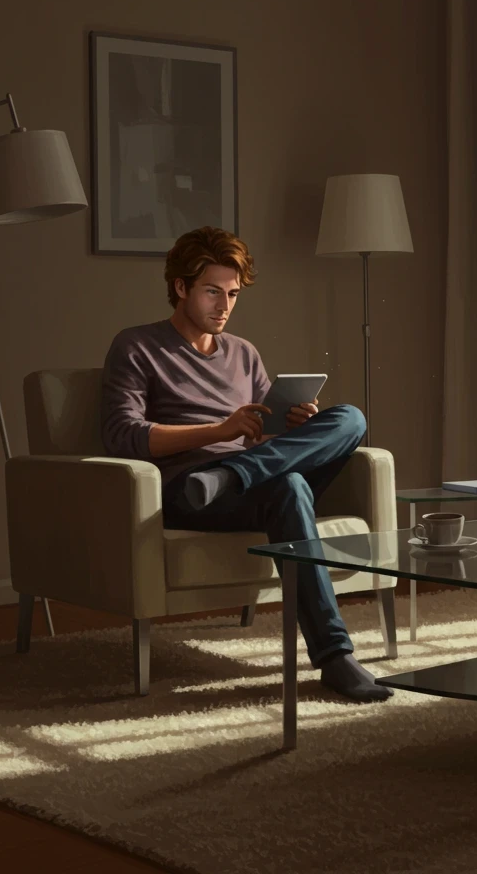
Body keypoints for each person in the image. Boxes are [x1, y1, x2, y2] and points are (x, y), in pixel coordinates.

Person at [100, 226, 392, 702]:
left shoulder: (243, 352)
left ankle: (232, 475)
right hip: (190, 490)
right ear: (180, 287)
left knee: (350, 419)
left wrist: (293, 426)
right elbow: (123, 435)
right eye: (212, 291)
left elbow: (261, 433)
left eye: (233, 294)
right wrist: (219, 432)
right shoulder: (137, 347)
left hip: (241, 476)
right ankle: (336, 657)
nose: (224, 305)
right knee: (290, 486)